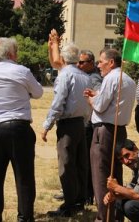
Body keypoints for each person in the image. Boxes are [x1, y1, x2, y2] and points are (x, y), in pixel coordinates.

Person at [0, 37, 43, 222]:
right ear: (12, 53)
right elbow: (38, 93)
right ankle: (25, 217)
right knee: (24, 176)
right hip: (18, 127)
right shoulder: (21, 71)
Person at [84, 48, 136, 222]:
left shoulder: (110, 78)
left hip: (104, 131)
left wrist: (91, 100)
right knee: (116, 174)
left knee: (101, 175)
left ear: (111, 62)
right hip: (119, 130)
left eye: (101, 62)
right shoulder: (128, 80)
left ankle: (104, 216)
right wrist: (97, 95)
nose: (98, 65)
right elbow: (114, 100)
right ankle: (116, 215)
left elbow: (101, 106)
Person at [41, 43, 91, 217]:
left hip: (68, 124)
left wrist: (47, 125)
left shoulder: (65, 75)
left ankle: (69, 205)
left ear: (62, 58)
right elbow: (87, 103)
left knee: (67, 165)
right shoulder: (85, 76)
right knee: (80, 164)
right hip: (80, 123)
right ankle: (79, 201)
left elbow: (58, 102)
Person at [78, 50, 102, 205]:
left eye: (82, 62)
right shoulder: (84, 75)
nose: (79, 65)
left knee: (87, 161)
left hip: (89, 125)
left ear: (91, 63)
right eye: (78, 62)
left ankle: (88, 195)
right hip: (82, 123)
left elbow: (99, 95)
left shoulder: (94, 78)